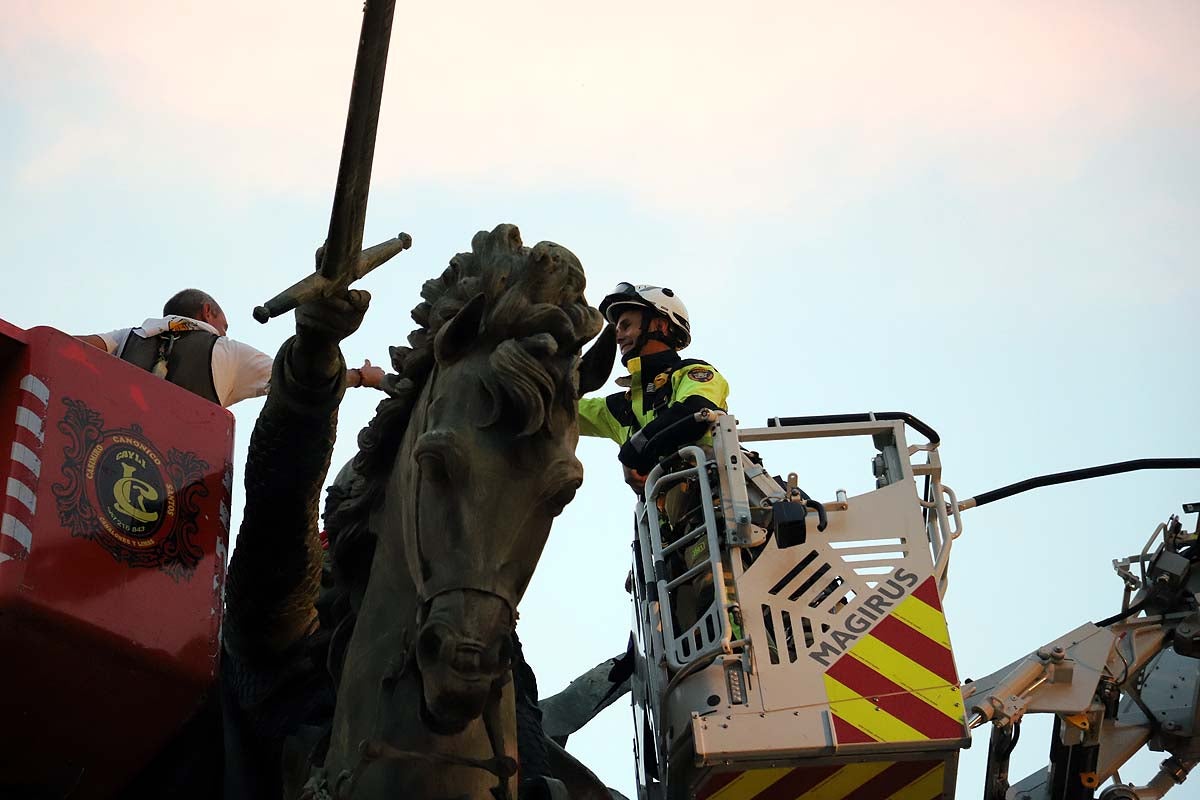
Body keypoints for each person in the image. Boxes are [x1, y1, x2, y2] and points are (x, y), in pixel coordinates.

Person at [578, 283, 731, 632]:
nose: (618, 335)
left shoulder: (693, 375)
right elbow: (559, 412)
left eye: (626, 324)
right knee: (672, 626)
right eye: (617, 327)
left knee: (720, 604)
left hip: (709, 517)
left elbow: (696, 410)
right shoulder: (623, 407)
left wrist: (636, 448)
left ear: (661, 325)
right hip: (663, 542)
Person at [75, 288, 384, 407]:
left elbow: (74, 347)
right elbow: (300, 377)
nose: (223, 331)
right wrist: (360, 376)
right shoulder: (231, 353)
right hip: (176, 485)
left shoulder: (127, 336)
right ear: (207, 312)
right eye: (224, 323)